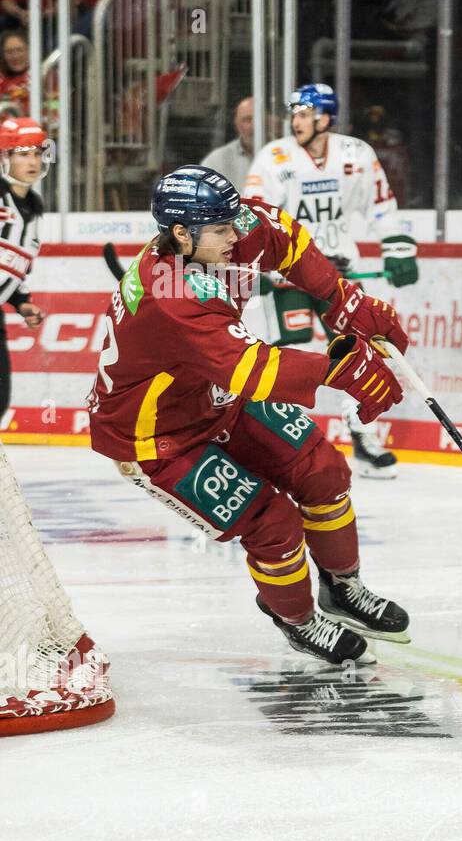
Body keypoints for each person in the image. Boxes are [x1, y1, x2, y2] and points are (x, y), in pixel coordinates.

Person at [86, 165, 411, 665]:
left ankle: (342, 589)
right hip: (157, 439)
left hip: (217, 399)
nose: (236, 236)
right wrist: (341, 368)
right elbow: (250, 366)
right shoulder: (168, 296)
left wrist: (343, 296)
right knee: (271, 521)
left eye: (234, 222)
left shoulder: (223, 231)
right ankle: (299, 620)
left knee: (323, 471)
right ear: (180, 234)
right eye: (221, 230)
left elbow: (283, 236)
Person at [244, 83, 418, 479]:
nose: (295, 121)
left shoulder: (356, 154)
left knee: (361, 352)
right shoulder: (274, 158)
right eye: (294, 114)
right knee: (294, 355)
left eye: (304, 114)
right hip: (290, 276)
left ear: (325, 117)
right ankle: (282, 445)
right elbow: (254, 216)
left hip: (339, 274)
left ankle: (363, 435)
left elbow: (381, 207)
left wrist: (396, 249)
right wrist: (261, 266)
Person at [0, 117, 48, 425]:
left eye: (36, 152)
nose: (31, 161)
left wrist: (21, 301)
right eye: (22, 152)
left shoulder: (33, 205)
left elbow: (13, 263)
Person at [201, 97, 255, 186]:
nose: (254, 126)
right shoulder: (216, 161)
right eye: (247, 120)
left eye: (259, 119)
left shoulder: (282, 153)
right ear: (236, 124)